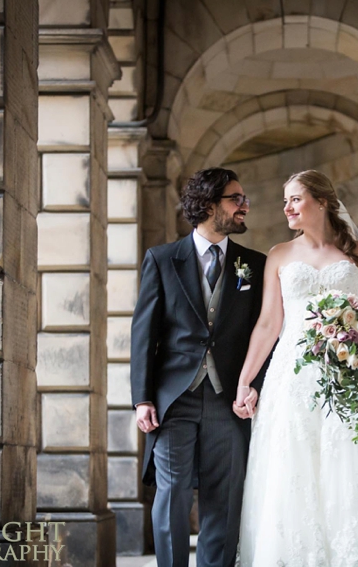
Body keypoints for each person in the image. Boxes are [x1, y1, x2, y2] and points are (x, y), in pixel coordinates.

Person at [232, 170, 358, 566]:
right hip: (290, 377)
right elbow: (268, 324)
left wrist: (347, 324)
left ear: (322, 201)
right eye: (285, 200)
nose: (287, 207)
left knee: (352, 463)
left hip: (346, 370)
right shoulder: (279, 255)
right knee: (293, 467)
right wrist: (245, 381)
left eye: (295, 199)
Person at [130, 167, 268, 567]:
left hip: (230, 400)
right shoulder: (161, 259)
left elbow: (264, 333)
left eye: (243, 198)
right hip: (175, 399)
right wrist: (142, 398)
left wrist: (253, 384)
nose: (245, 205)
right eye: (235, 198)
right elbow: (144, 333)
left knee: (223, 499)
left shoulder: (252, 264)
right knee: (171, 495)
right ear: (209, 205)